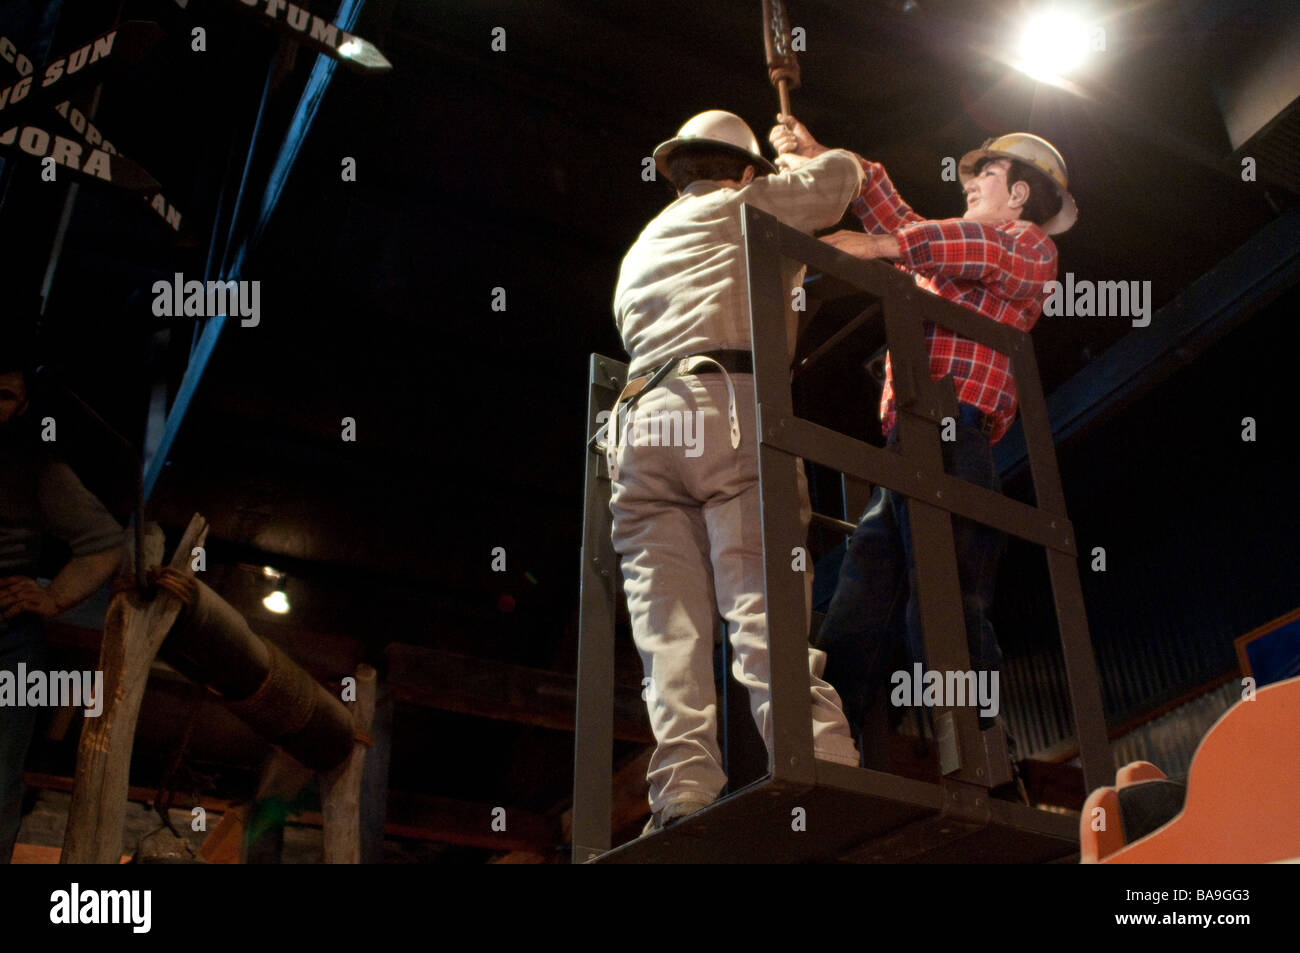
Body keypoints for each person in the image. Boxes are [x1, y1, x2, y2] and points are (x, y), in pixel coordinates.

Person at [768, 115, 1077, 752]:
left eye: (987, 172)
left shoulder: (1029, 248)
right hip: (910, 441)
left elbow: (955, 244)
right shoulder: (945, 253)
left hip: (955, 437)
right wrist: (827, 155)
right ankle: (831, 735)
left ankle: (976, 738)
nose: (971, 182)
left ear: (1020, 195)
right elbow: (900, 215)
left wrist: (882, 248)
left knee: (949, 586)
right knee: (865, 589)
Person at [608, 110, 865, 832]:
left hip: (640, 428)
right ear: (743, 169)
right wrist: (805, 152)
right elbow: (842, 181)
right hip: (724, 407)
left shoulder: (639, 250)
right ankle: (820, 758)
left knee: (669, 630)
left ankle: (682, 792)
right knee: (762, 600)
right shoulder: (745, 204)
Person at [0, 358, 124, 862]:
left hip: (5, 635)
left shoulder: (33, 467)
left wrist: (51, 596)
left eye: (4, 395)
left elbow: (102, 542)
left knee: (1, 774)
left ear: (22, 406)